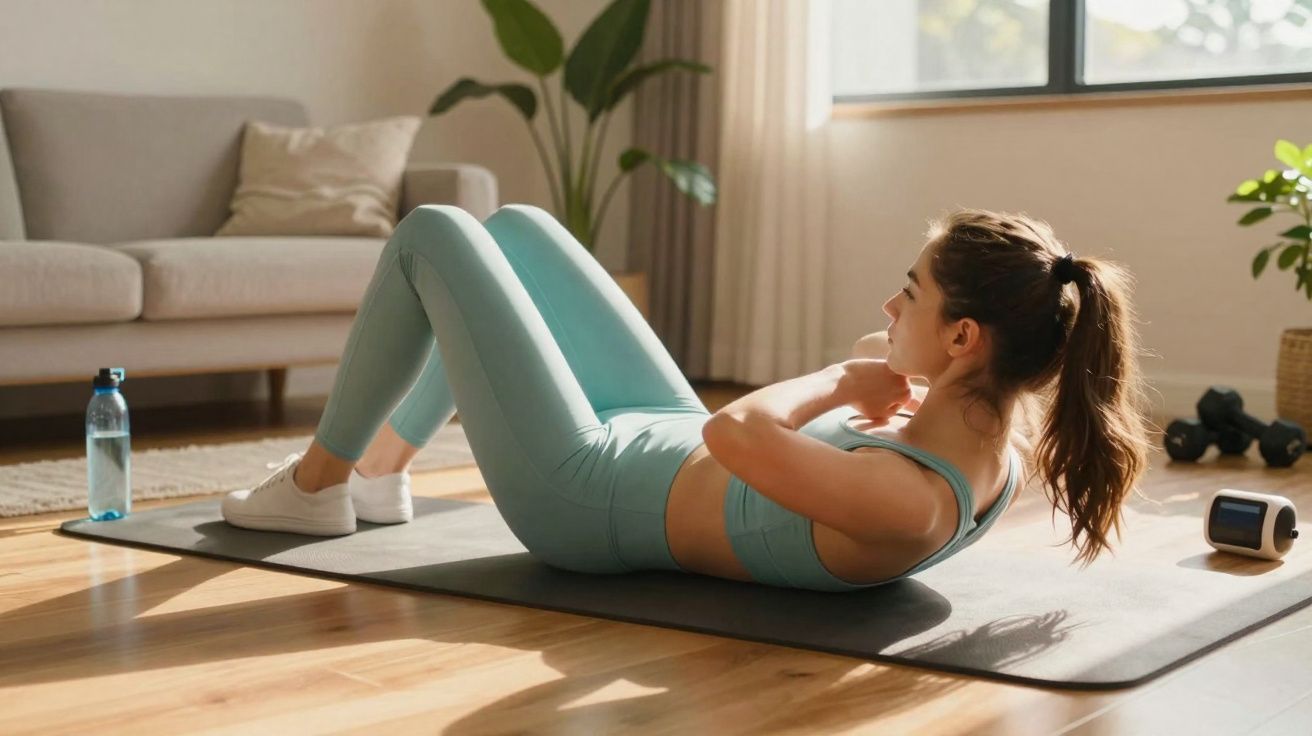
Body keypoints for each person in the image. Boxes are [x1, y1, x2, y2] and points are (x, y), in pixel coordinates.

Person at [222, 204, 1155, 591]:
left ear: (963, 340)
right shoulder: (985, 423)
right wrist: (883, 363)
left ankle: (316, 485)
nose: (888, 303)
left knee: (432, 233)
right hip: (655, 438)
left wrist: (840, 378)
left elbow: (736, 427)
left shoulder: (908, 503)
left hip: (586, 492)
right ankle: (380, 473)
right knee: (519, 228)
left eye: (909, 288)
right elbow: (881, 353)